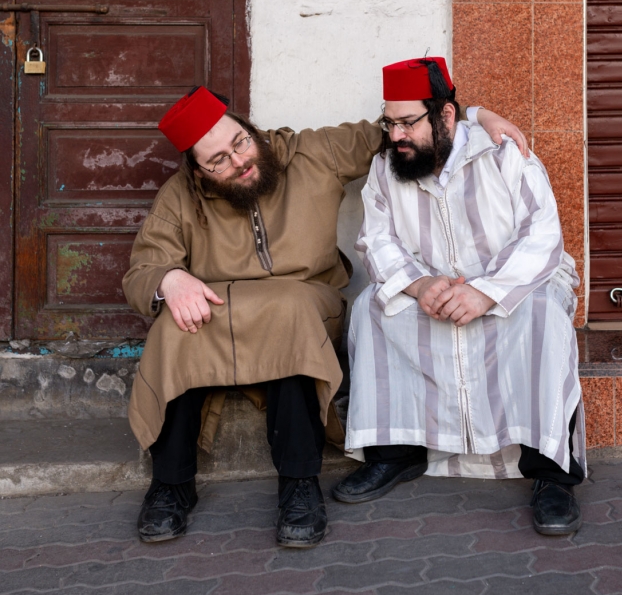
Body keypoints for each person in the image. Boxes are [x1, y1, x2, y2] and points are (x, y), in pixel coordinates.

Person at [123, 84, 526, 547]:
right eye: (217, 161)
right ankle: (171, 485)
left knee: (288, 312)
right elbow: (144, 269)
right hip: (221, 314)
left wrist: (476, 113)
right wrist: (170, 281)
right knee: (174, 325)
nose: (238, 162)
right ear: (197, 170)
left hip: (307, 303)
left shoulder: (314, 152)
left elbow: (402, 125)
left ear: (251, 129)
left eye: (240, 143)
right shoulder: (180, 196)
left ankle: (299, 484)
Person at [333, 57, 584, 536]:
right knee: (373, 309)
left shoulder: (504, 152)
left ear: (446, 116)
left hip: (511, 282)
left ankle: (552, 475)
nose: (396, 135)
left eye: (408, 122)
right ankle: (397, 453)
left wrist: (487, 293)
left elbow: (542, 236)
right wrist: (420, 285)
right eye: (390, 123)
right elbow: (376, 239)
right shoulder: (387, 168)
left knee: (544, 317)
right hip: (433, 289)